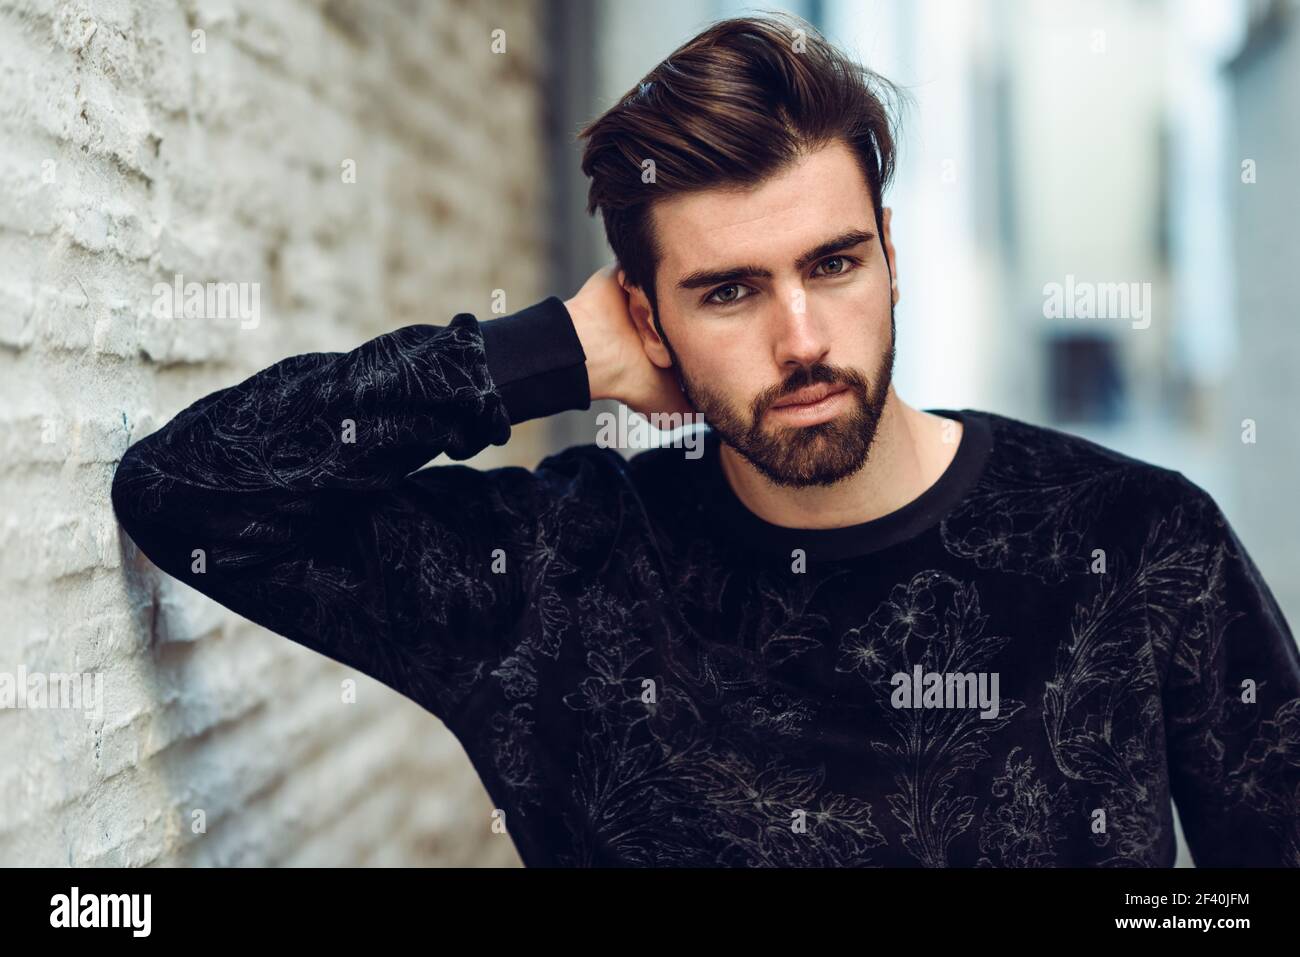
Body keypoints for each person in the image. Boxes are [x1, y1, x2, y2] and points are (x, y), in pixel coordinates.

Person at [110, 13, 1299, 867]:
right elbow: (189, 493)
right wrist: (542, 358)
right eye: (729, 291)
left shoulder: (1138, 544)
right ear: (645, 315)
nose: (801, 339)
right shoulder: (555, 576)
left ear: (888, 255)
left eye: (833, 265)